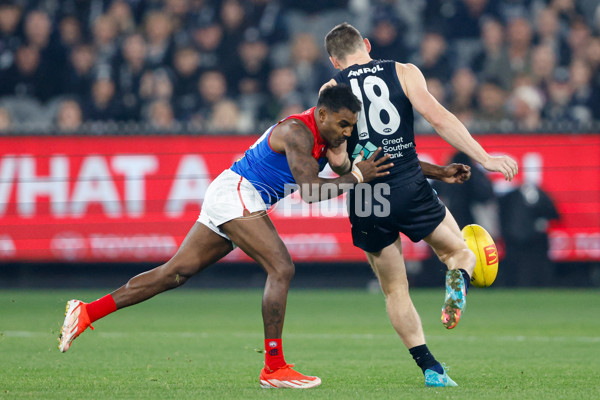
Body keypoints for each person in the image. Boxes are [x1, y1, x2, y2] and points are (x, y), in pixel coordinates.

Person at [58, 85, 394, 389]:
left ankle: (86, 312)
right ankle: (274, 368)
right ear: (322, 114)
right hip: (237, 192)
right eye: (343, 124)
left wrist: (347, 156)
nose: (348, 131)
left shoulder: (321, 132)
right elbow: (308, 191)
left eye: (351, 126)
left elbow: (335, 166)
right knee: (282, 267)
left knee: (174, 273)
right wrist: (356, 177)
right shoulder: (297, 131)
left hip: (233, 192)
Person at [321, 22, 518, 387]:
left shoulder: (332, 89)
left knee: (395, 290)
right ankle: (456, 280)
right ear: (366, 44)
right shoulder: (403, 71)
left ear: (335, 60)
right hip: (409, 185)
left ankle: (431, 369)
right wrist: (484, 158)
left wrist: (352, 163)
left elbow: (336, 161)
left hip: (368, 195)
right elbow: (439, 118)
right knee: (460, 253)